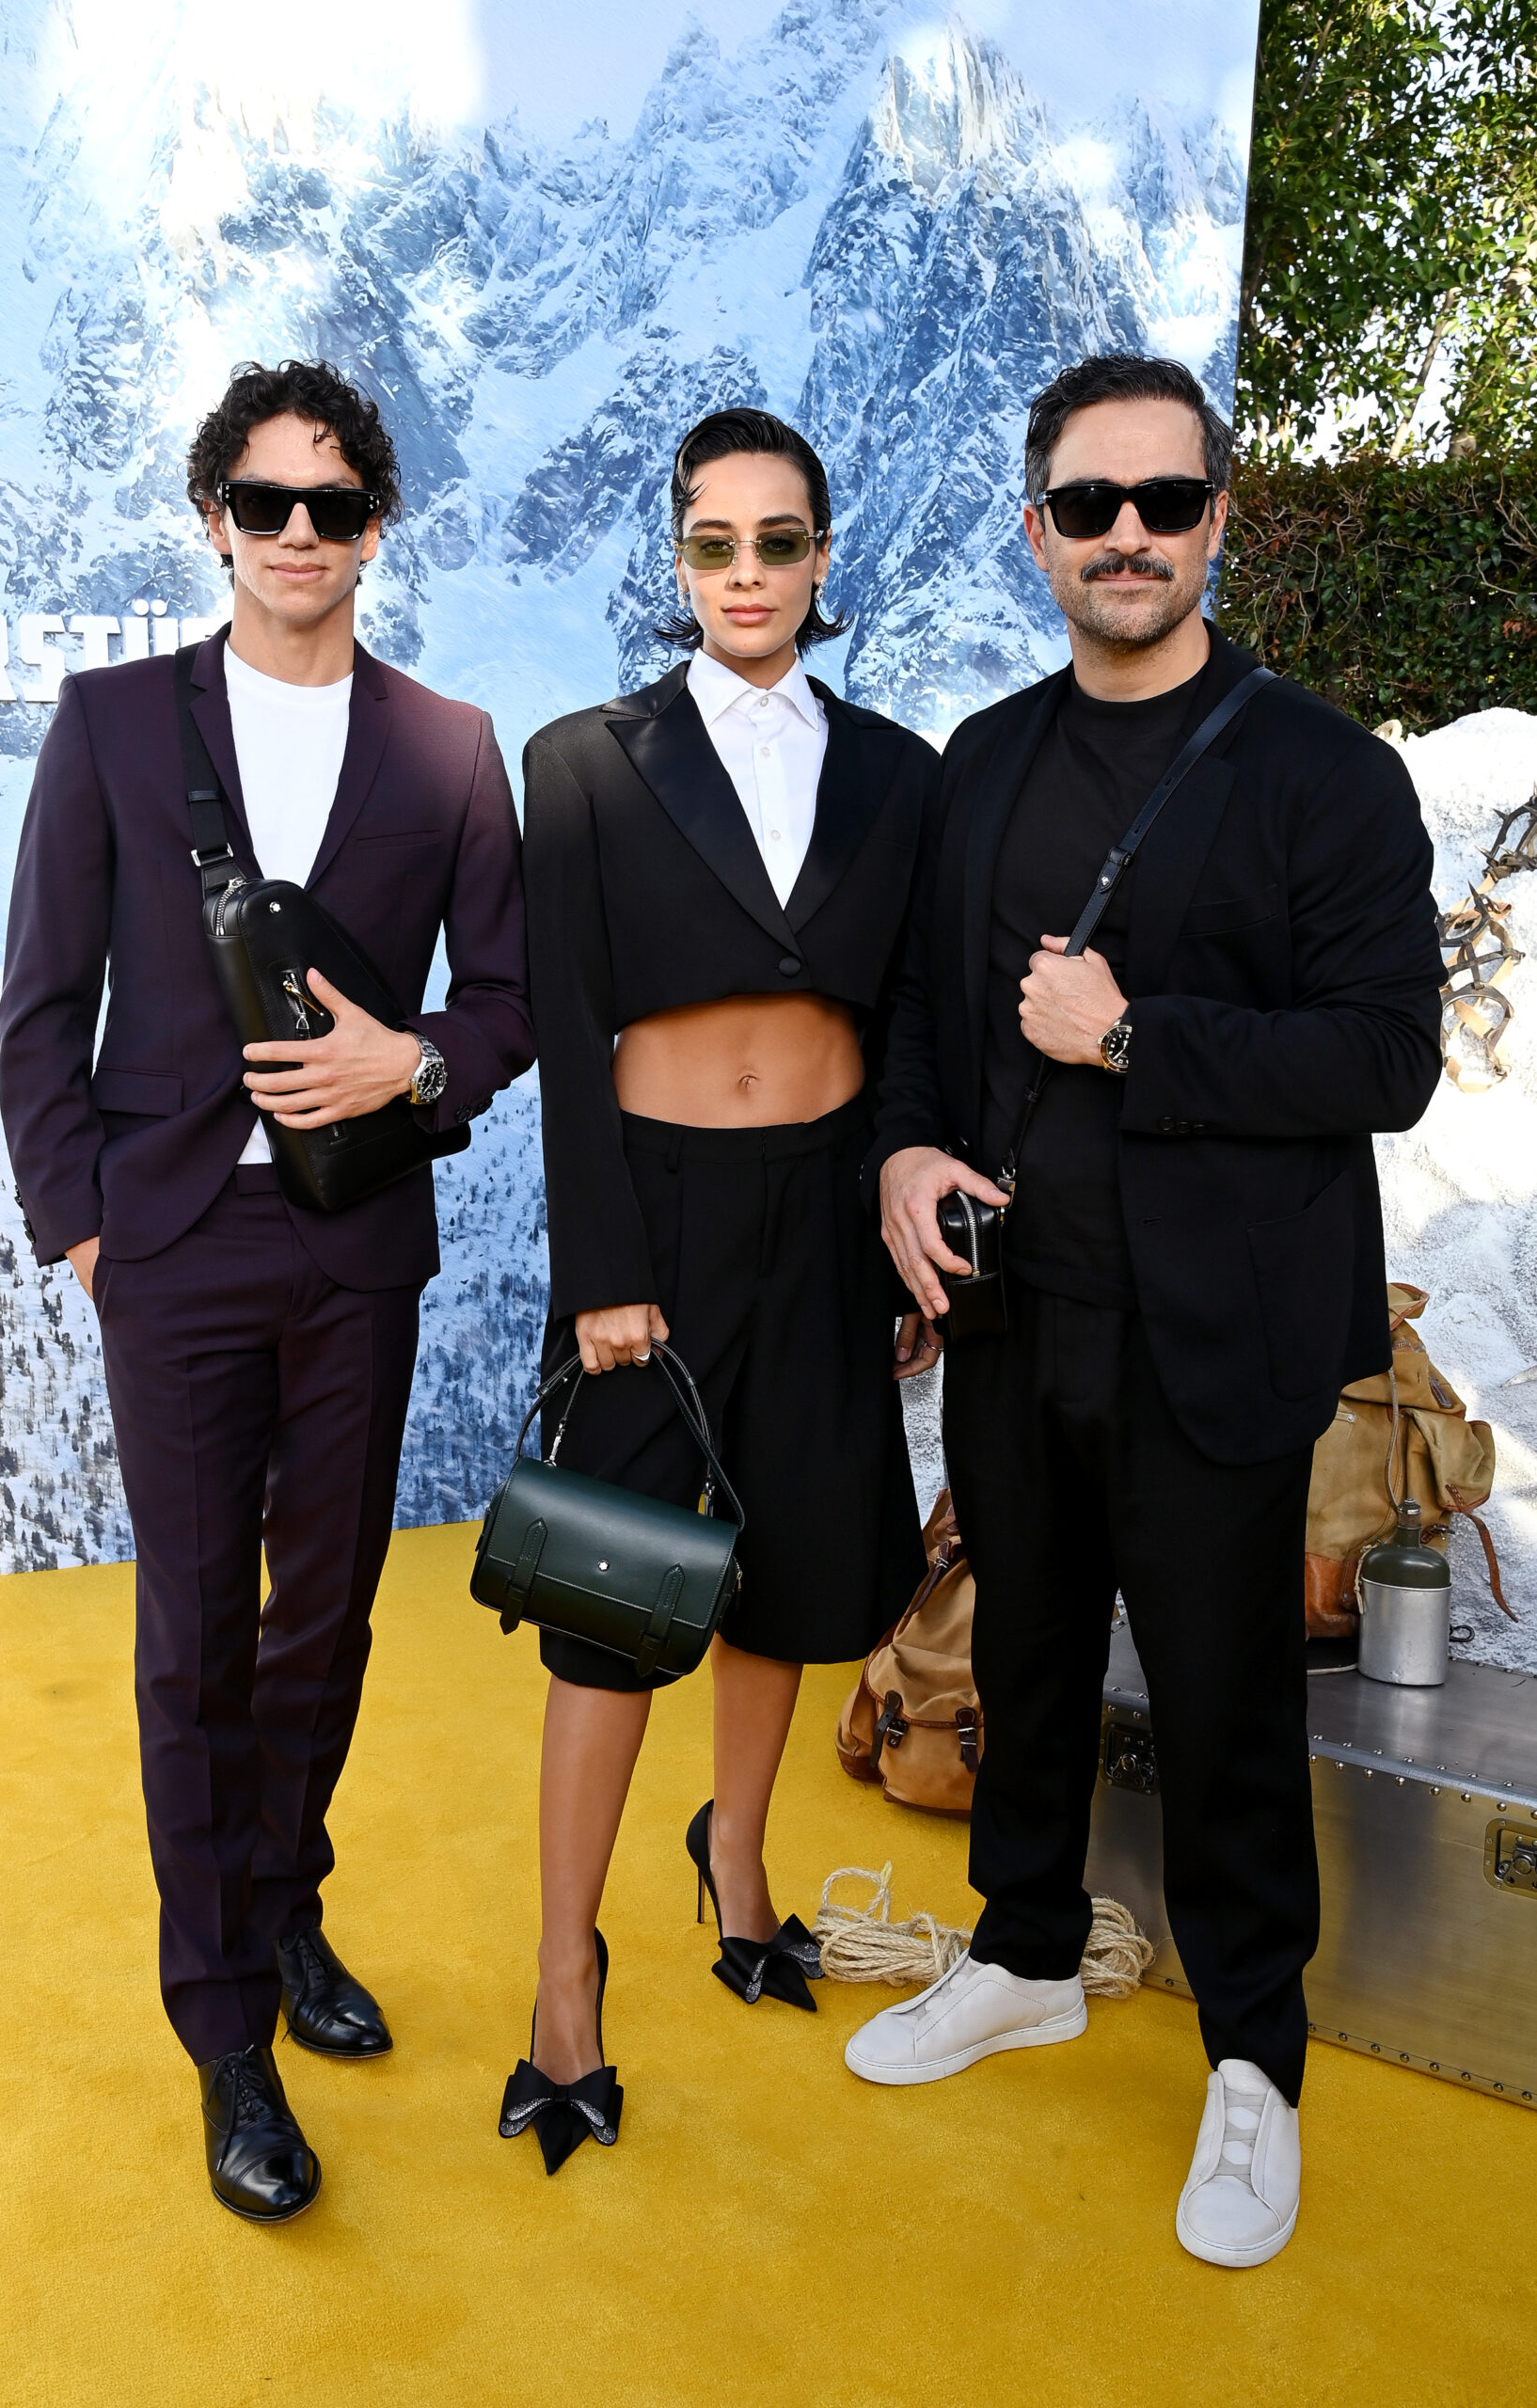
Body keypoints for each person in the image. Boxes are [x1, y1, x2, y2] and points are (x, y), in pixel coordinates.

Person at [847, 354, 1442, 2269]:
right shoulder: (983, 761)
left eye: (1162, 502)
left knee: (1220, 1699)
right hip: (1018, 1313)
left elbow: (1385, 1056)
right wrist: (901, 1155)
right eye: (1088, 505)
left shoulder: (1324, 774)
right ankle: (1025, 1950)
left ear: (1215, 521)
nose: (1126, 536)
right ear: (1036, 531)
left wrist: (1132, 1037)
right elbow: (926, 1010)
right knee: (1023, 1653)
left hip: (1218, 1329)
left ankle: (1255, 2052)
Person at [0, 358, 533, 2223]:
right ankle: (225, 2022)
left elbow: (509, 999)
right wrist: (86, 1229)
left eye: (333, 503)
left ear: (375, 527)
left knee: (327, 1622)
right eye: (264, 501)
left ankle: (284, 1900)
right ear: (213, 519)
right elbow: (40, 1003)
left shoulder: (450, 748)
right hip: (171, 1247)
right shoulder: (111, 722)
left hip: (355, 1244)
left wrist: (415, 1063)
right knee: (194, 1636)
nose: (297, 533)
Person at [504, 407, 936, 2174]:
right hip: (658, 1227)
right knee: (615, 1599)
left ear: (822, 558)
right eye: (714, 542)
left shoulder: (902, 771)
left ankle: (738, 1859)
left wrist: (901, 1222)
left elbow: (911, 1021)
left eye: (779, 540)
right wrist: (605, 1270)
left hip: (829, 1215)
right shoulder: (583, 763)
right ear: (678, 559)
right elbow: (563, 1026)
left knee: (789, 1572)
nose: (747, 572)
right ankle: (563, 1975)